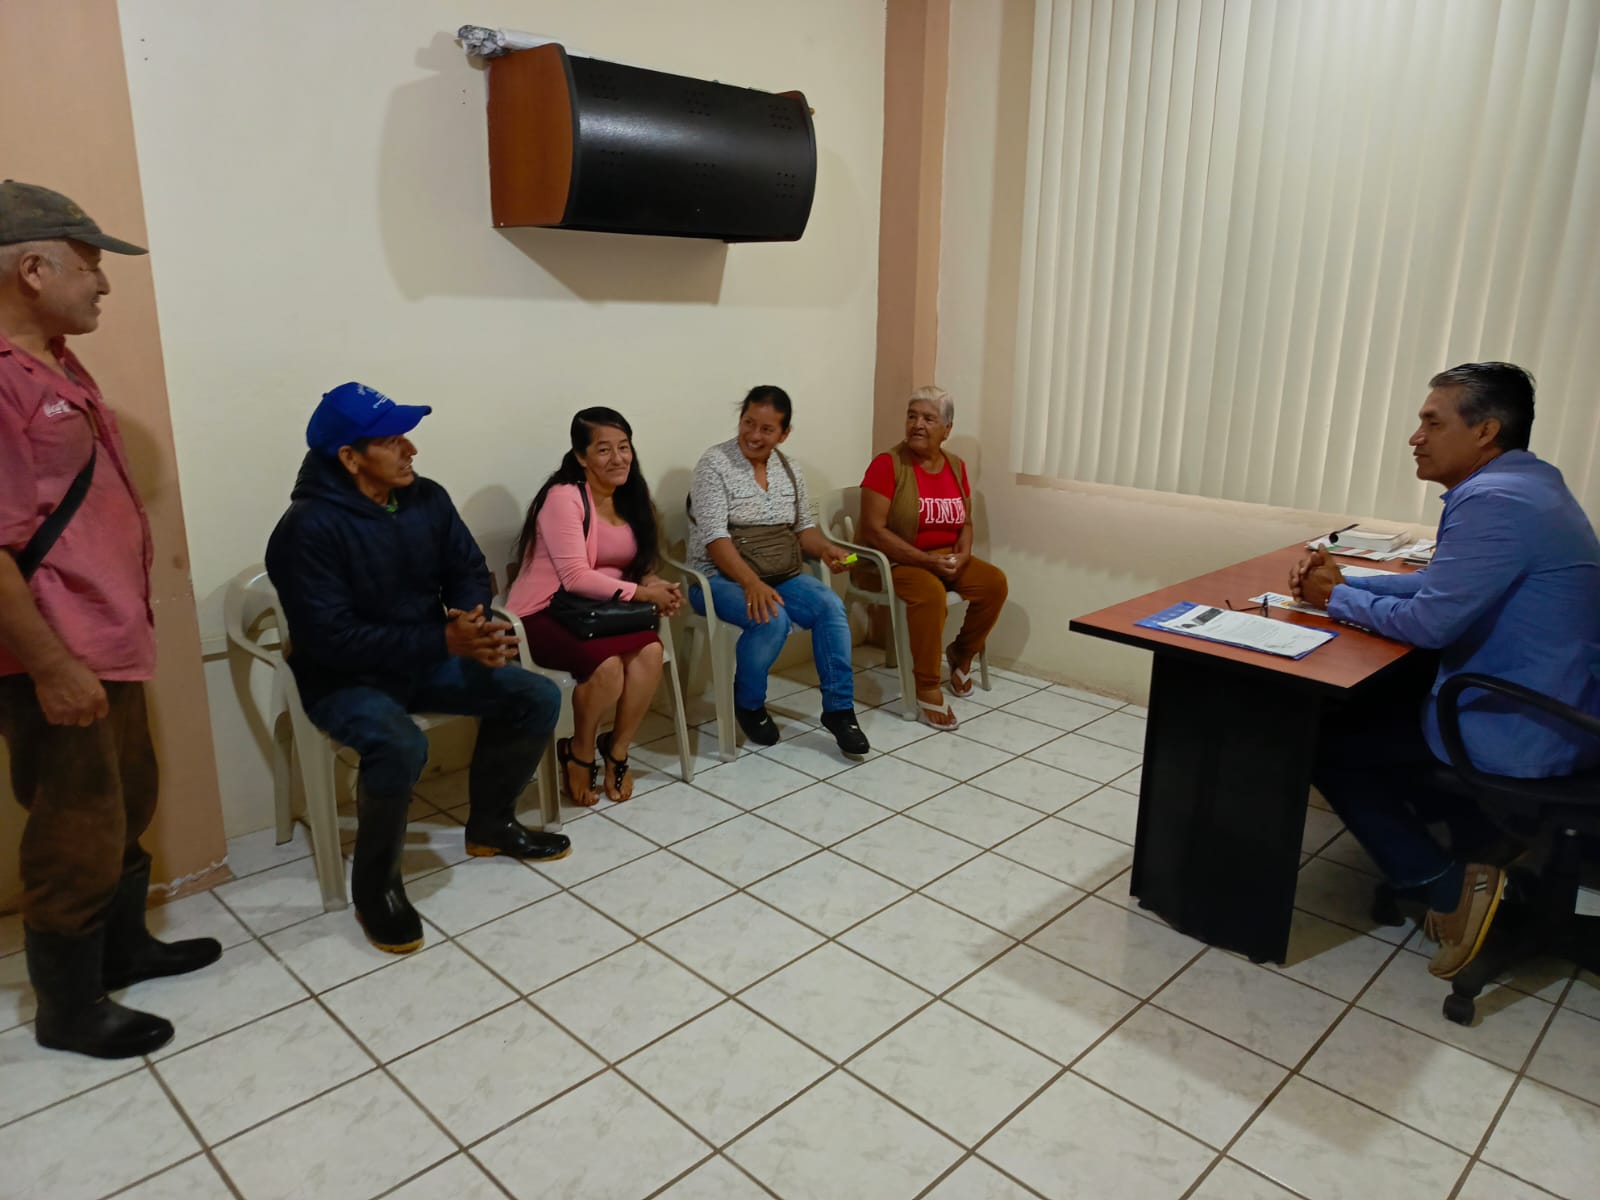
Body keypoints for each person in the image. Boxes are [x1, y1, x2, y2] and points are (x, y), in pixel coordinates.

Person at [0, 181, 221, 1059]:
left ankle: (124, 948)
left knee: (126, 798)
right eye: (89, 265)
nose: (102, 283)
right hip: (55, 651)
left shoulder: (55, 363)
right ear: (33, 268)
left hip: (107, 640)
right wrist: (53, 667)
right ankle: (69, 1006)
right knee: (75, 824)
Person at [1291, 362, 1600, 979]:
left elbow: (1432, 624)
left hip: (1525, 727)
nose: (1416, 437)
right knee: (1378, 707)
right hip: (1565, 704)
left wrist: (1335, 598)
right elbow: (1448, 584)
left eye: (1432, 423)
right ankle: (1484, 838)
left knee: (1330, 742)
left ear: (1485, 431)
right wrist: (1351, 584)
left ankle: (1448, 886)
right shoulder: (1530, 483)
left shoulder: (1494, 501)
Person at [265, 383, 568, 956]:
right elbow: (331, 640)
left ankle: (491, 825)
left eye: (406, 436)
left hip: (424, 658)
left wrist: (470, 616)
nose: (411, 450)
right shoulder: (306, 529)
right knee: (399, 743)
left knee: (535, 696)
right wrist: (443, 639)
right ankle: (375, 888)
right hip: (342, 679)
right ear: (350, 457)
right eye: (391, 440)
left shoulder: (425, 498)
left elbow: (468, 568)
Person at [508, 408, 683, 805]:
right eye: (604, 450)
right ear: (581, 456)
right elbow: (575, 578)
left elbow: (638, 566)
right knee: (607, 668)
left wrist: (655, 585)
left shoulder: (633, 495)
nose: (618, 458)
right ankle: (580, 751)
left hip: (602, 614)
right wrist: (642, 595)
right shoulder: (563, 497)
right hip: (546, 611)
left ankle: (617, 749)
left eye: (624, 447)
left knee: (650, 653)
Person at [687, 386, 869, 757]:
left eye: (767, 429)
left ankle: (839, 711)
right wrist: (751, 584)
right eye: (748, 423)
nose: (754, 435)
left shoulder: (789, 469)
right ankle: (749, 702)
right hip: (716, 578)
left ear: (784, 434)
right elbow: (715, 539)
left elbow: (803, 529)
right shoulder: (714, 464)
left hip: (780, 572)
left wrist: (826, 549)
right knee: (771, 618)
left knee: (830, 606)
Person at [858, 386, 1008, 729]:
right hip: (893, 562)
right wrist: (926, 561)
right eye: (912, 417)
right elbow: (873, 531)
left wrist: (963, 555)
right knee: (929, 593)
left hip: (942, 559)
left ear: (947, 429)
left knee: (994, 584)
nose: (918, 425)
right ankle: (926, 687)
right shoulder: (887, 465)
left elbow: (965, 522)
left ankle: (961, 653)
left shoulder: (956, 466)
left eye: (928, 418)